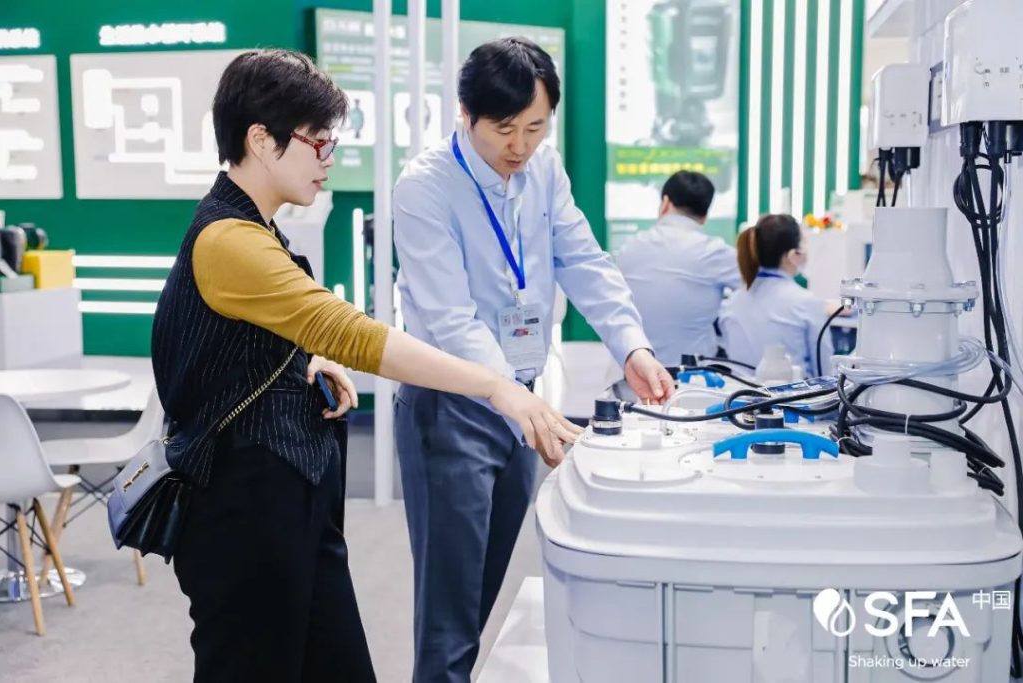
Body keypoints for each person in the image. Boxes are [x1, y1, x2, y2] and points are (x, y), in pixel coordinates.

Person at [150, 48, 580, 683]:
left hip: (290, 494)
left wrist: (303, 361)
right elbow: (347, 329)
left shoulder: (257, 228)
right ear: (261, 140)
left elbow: (268, 331)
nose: (328, 158)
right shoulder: (228, 239)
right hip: (243, 508)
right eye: (317, 141)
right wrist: (497, 386)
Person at [392, 37, 675, 682]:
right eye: (504, 129)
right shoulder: (425, 187)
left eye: (536, 127)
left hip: (522, 400)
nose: (519, 146)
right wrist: (513, 398)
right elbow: (450, 318)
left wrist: (631, 345)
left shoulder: (544, 169)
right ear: (466, 113)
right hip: (451, 407)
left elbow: (583, 259)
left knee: (481, 595)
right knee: (449, 619)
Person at [615, 171, 741, 364]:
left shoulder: (628, 248)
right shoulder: (714, 251)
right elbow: (758, 285)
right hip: (694, 373)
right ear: (705, 215)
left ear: (665, 202)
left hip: (632, 367)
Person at [718, 213, 834, 377]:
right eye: (804, 243)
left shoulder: (731, 303)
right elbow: (825, 372)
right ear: (793, 255)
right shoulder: (806, 303)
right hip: (795, 393)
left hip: (739, 392)